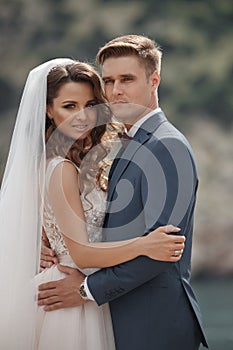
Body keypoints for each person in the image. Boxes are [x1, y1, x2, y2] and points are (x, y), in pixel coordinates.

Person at [0, 58, 185, 350]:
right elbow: (82, 255)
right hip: (69, 297)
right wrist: (144, 245)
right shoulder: (61, 168)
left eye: (90, 105)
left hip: (77, 289)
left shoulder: (61, 163)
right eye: (69, 106)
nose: (83, 116)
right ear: (48, 110)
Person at [39, 36, 209, 350]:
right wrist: (48, 242)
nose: (116, 90)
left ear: (154, 80)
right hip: (115, 318)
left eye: (127, 80)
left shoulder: (166, 146)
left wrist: (85, 289)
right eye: (109, 81)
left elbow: (162, 252)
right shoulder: (125, 144)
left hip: (153, 323)